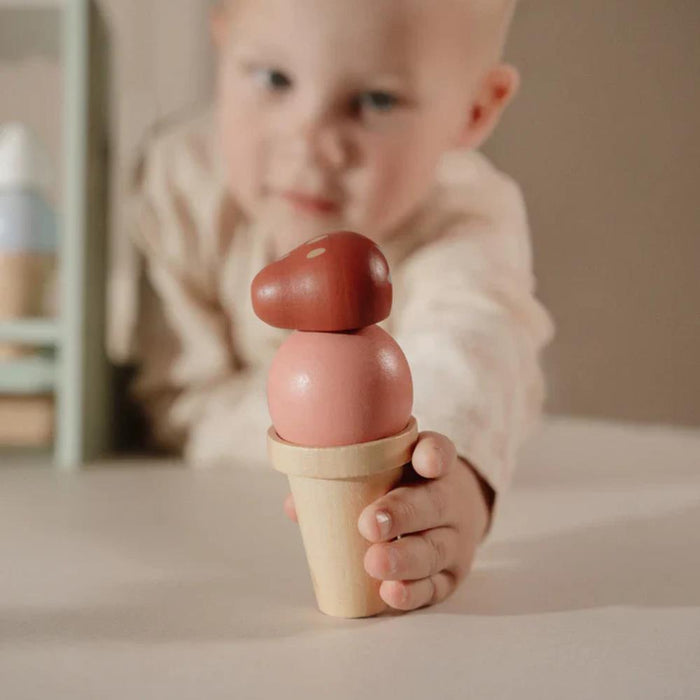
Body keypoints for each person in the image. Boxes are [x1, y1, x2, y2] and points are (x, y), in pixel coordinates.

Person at [119, 0, 555, 612]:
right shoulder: (182, 185)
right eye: (274, 79)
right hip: (208, 528)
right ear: (221, 44)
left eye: (375, 100)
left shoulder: (466, 217)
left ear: (474, 109)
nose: (312, 144)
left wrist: (454, 484)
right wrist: (321, 439)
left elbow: (473, 355)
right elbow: (182, 400)